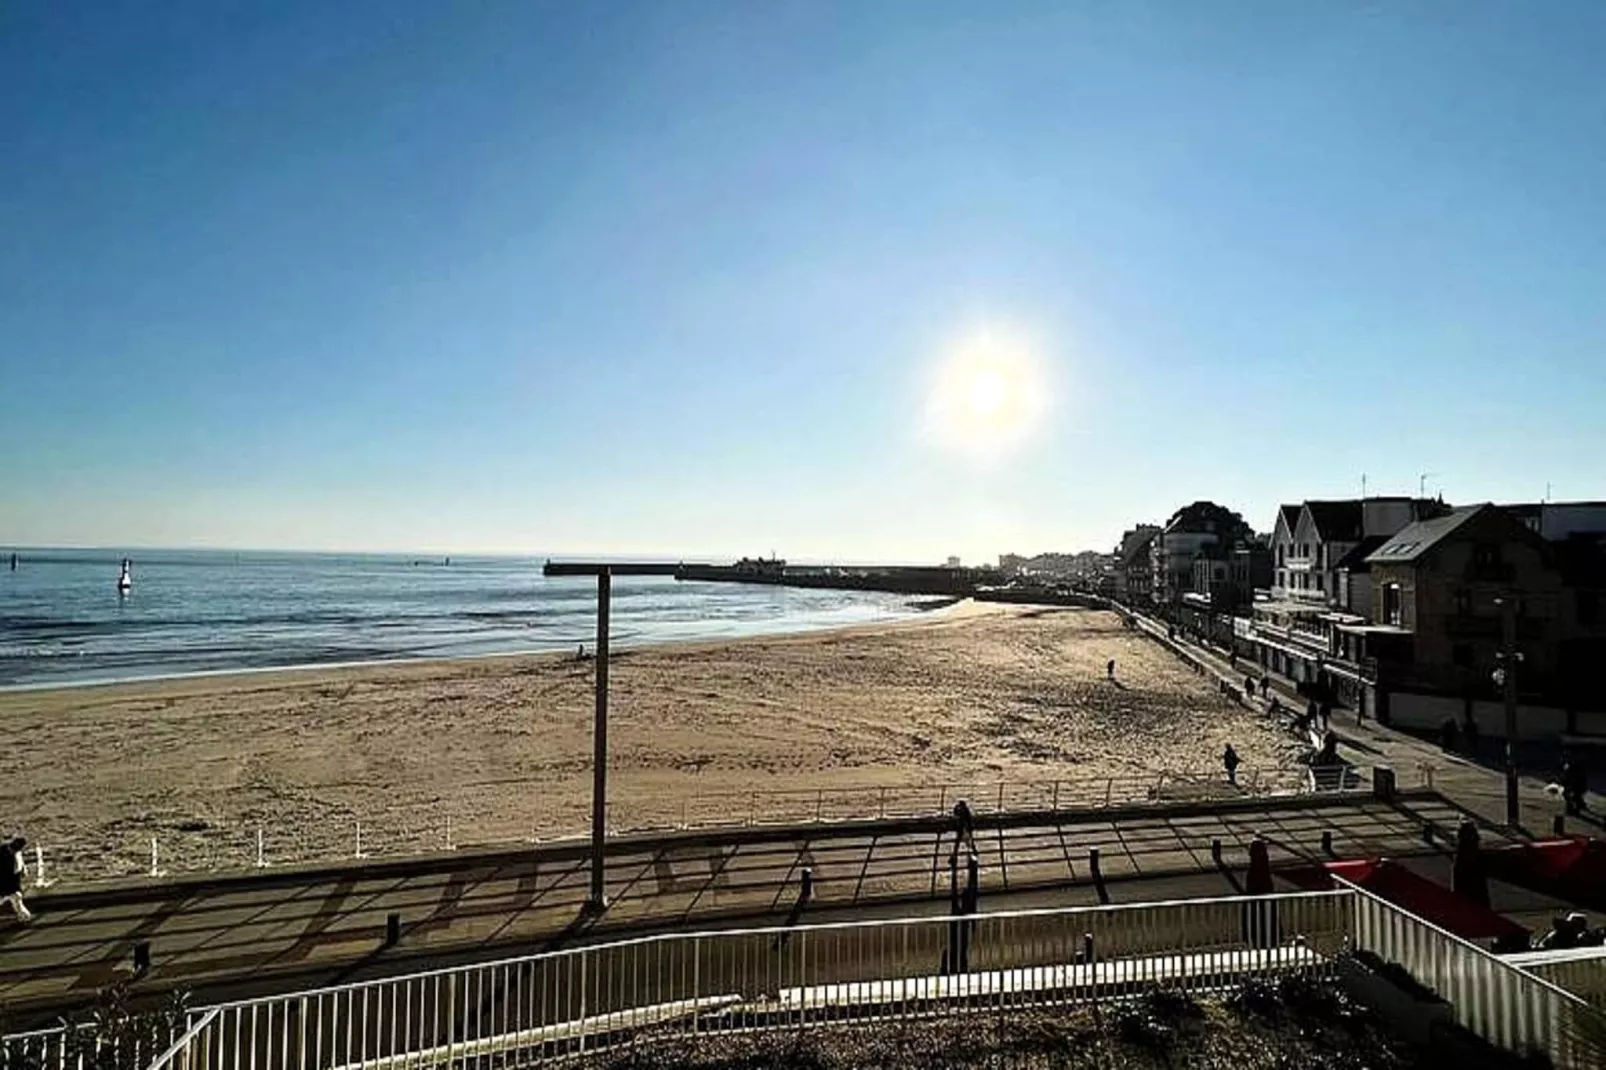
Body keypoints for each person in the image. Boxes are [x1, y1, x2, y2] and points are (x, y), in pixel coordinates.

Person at [1, 837, 32, 923]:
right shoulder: (3, 852)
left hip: (13, 882)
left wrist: (23, 868)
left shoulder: (16, 852)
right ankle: (24, 917)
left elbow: (19, 861)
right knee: (15, 897)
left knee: (17, 898)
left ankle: (24, 917)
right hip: (5, 882)